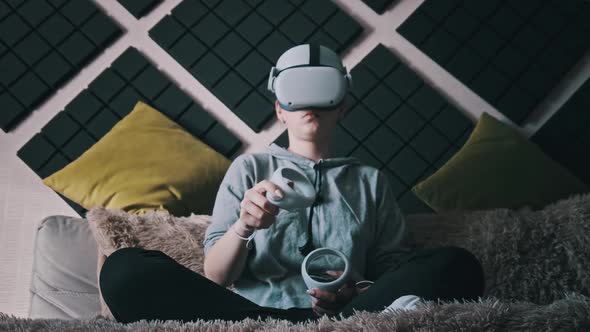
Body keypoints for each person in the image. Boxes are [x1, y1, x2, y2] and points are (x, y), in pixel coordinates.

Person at [98, 44, 485, 324]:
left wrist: (355, 293)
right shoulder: (249, 168)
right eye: (296, 96)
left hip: (344, 316)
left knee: (456, 266)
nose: (309, 104)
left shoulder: (370, 182)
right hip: (254, 319)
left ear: (343, 104)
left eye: (322, 91)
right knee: (124, 271)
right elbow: (216, 276)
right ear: (280, 109)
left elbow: (393, 272)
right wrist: (244, 226)